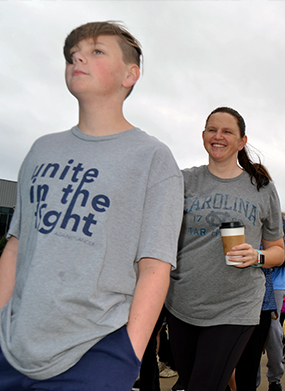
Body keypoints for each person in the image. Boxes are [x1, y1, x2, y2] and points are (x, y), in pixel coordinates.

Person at [0, 22, 184, 391]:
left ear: (130, 74)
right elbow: (17, 247)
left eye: (97, 51)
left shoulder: (153, 159)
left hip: (95, 354)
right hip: (11, 347)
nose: (78, 57)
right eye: (73, 54)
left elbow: (155, 266)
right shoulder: (40, 150)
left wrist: (127, 355)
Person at [165, 107, 285, 391]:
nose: (218, 136)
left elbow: (278, 251)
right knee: (193, 382)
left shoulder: (261, 187)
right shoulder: (182, 181)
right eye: (212, 130)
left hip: (236, 305)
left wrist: (258, 256)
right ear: (204, 135)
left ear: (242, 141)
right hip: (182, 302)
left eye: (227, 131)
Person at [261, 213, 285, 391]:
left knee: (272, 330)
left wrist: (267, 260)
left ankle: (275, 379)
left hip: (275, 284)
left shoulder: (282, 221)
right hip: (248, 282)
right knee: (247, 330)